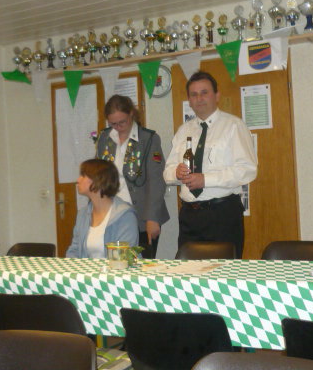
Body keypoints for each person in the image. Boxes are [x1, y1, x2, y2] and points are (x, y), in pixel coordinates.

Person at [164, 71, 257, 258]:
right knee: (188, 271)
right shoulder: (183, 130)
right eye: (194, 94)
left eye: (204, 92)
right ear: (189, 100)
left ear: (217, 95)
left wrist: (205, 180)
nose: (199, 99)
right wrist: (176, 173)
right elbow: (167, 173)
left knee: (223, 272)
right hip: (189, 216)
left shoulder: (234, 126)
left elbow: (247, 170)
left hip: (222, 214)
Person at [95, 95, 169, 259]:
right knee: (113, 264)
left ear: (131, 114)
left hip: (141, 217)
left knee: (140, 266)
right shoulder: (104, 138)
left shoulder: (148, 139)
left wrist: (152, 218)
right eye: (113, 124)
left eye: (122, 122)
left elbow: (156, 181)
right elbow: (97, 176)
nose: (118, 127)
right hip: (111, 216)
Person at [66, 159, 139, 258]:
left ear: (98, 179)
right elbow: (74, 250)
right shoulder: (82, 214)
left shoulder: (125, 216)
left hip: (114, 268)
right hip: (88, 268)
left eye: (83, 175)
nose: (78, 180)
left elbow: (124, 258)